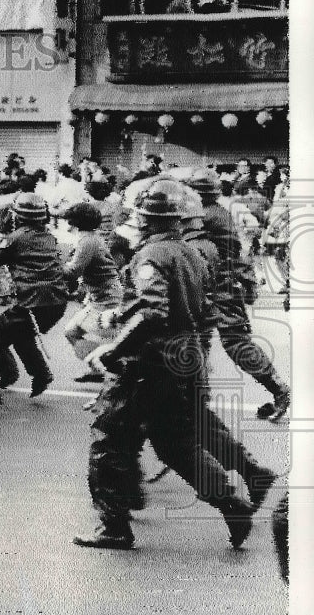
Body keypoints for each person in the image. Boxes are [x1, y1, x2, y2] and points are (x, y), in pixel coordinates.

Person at [74, 191, 259, 550]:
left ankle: (114, 526)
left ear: (145, 220)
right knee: (177, 443)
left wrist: (115, 348)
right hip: (185, 356)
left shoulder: (151, 254)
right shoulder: (193, 254)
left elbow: (154, 311)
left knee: (109, 440)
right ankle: (232, 504)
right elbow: (183, 307)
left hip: (150, 362)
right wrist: (123, 315)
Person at [187, 169, 290, 421]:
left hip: (220, 286)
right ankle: (195, 401)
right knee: (200, 341)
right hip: (221, 284)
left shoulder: (206, 216)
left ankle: (280, 391)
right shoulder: (215, 212)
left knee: (234, 343)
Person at [0, 192, 68, 397]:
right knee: (22, 336)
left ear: (17, 216)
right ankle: (41, 374)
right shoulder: (48, 236)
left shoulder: (15, 238)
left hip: (32, 303)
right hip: (56, 302)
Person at [59, 202, 123, 383]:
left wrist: (51, 264)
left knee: (111, 342)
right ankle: (98, 369)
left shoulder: (88, 241)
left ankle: (110, 368)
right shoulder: (89, 238)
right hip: (100, 296)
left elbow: (73, 271)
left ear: (75, 222)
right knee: (71, 331)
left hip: (107, 299)